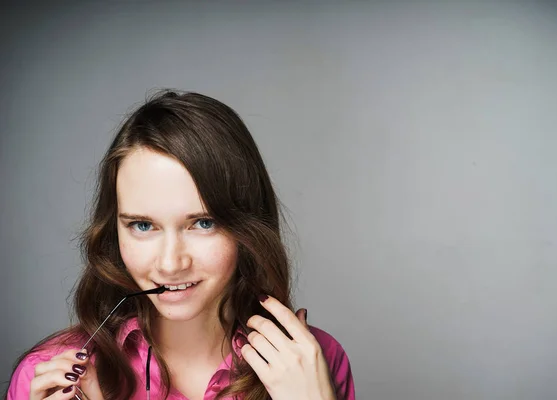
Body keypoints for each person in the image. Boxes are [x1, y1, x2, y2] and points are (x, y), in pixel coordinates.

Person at [4, 90, 355, 400]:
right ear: (115, 231)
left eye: (203, 223)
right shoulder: (48, 378)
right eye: (143, 225)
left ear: (247, 227)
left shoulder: (312, 361)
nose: (170, 264)